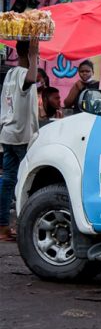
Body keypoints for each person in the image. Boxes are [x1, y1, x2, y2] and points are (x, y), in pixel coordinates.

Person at [0, 40, 39, 241]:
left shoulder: (11, 73)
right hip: (21, 137)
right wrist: (34, 55)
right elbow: (31, 78)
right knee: (27, 182)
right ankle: (26, 227)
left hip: (8, 134)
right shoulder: (24, 74)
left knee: (7, 181)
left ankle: (3, 227)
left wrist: (31, 54)